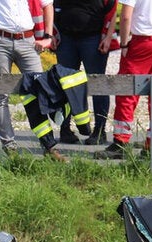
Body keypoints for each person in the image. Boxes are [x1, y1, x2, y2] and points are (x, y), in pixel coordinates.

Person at [0, 0, 66, 161]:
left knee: (39, 92)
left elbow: (48, 5)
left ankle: (48, 146)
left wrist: (48, 36)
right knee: (1, 95)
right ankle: (8, 146)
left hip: (28, 40)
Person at [95, 0, 152, 160]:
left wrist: (124, 45)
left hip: (142, 41)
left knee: (127, 90)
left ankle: (120, 143)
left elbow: (125, 17)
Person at [54, 0, 118, 146]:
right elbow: (51, 6)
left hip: (93, 38)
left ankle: (100, 131)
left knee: (98, 85)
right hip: (66, 38)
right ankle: (65, 130)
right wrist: (52, 33)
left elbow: (113, 9)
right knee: (65, 84)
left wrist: (108, 36)